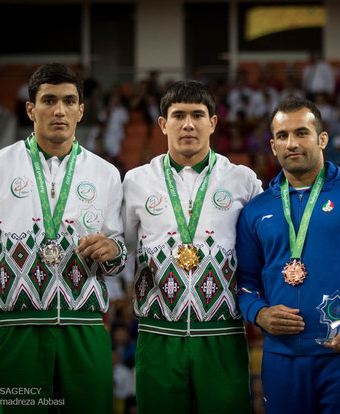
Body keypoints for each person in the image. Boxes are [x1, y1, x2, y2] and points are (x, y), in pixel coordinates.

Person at [0, 63, 127, 413]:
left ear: (81, 110)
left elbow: (118, 254)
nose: (59, 110)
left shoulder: (106, 173)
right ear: (30, 109)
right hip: (17, 328)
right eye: (48, 100)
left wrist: (113, 249)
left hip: (85, 327)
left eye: (68, 101)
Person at [236, 96, 340, 414]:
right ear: (272, 145)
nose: (292, 143)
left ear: (322, 138)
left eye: (302, 132)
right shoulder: (256, 210)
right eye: (283, 136)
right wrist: (258, 313)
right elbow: (245, 281)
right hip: (281, 358)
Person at [122, 80, 262, 413]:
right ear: (162, 123)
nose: (188, 124)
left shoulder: (242, 179)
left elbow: (262, 247)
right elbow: (121, 248)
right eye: (178, 115)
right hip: (158, 333)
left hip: (223, 332)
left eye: (198, 115)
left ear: (213, 123)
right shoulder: (137, 180)